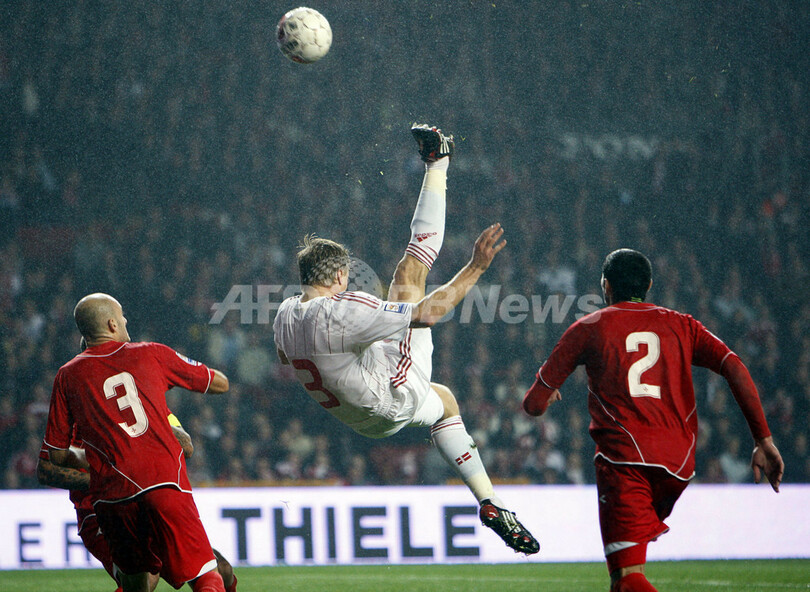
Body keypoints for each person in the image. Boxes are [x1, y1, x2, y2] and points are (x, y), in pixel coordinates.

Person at [273, 124, 539, 554]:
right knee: (408, 274)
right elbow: (427, 314)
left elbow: (295, 355)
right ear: (340, 275)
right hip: (389, 396)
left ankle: (493, 503)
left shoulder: (284, 314)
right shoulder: (343, 309)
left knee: (446, 402)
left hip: (355, 416)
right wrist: (476, 268)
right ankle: (440, 162)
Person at [522, 249, 784, 592]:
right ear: (648, 284)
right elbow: (733, 366)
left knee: (628, 579)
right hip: (678, 466)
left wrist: (547, 396)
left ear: (605, 285)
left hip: (625, 462)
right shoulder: (683, 324)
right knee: (624, 579)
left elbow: (533, 405)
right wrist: (763, 440)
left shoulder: (587, 328)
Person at [43, 293, 231, 592]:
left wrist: (100, 461)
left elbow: (54, 456)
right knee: (209, 575)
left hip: (113, 500)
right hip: (161, 484)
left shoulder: (67, 376)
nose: (126, 320)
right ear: (112, 323)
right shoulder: (149, 354)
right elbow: (217, 383)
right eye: (123, 315)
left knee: (138, 585)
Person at [37, 416, 238, 592]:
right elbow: (46, 471)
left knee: (222, 569)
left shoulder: (140, 402)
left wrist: (152, 418)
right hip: (98, 513)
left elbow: (186, 446)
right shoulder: (74, 417)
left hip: (147, 505)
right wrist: (106, 478)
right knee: (145, 578)